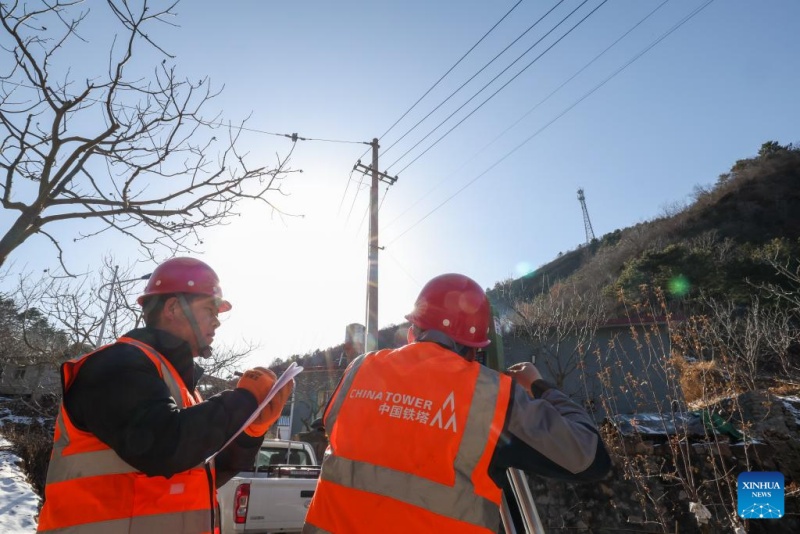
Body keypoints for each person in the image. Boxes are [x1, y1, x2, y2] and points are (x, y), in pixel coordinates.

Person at [303, 273, 611, 534]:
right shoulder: (491, 394)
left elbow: (333, 428)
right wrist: (537, 385)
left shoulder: (360, 368)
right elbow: (590, 458)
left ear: (413, 331)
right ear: (475, 350)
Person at [37, 257, 293, 534]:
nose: (217, 322)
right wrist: (243, 401)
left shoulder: (181, 389)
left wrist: (249, 432)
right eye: (210, 309)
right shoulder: (116, 365)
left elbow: (200, 474)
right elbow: (163, 447)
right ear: (173, 308)